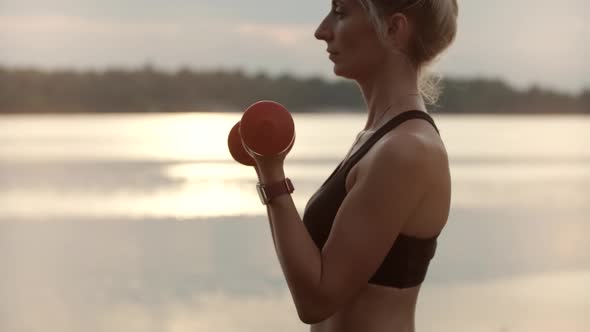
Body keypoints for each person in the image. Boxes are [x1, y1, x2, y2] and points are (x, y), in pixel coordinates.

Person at [245, 0, 457, 330]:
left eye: (340, 13)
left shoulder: (406, 150)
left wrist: (271, 172)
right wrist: (266, 167)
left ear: (393, 29)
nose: (321, 31)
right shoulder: (377, 139)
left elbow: (316, 299)